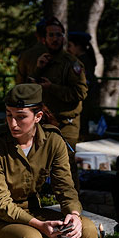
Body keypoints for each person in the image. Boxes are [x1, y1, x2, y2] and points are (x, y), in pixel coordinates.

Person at [0, 84, 99, 238]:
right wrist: (41, 225)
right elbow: (1, 203)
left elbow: (65, 187)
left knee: (88, 229)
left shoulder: (53, 140)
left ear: (38, 116)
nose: (12, 123)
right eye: (8, 115)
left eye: (21, 116)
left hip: (31, 212)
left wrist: (73, 215)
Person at [33, 17, 87, 189]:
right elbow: (29, 88)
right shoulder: (43, 60)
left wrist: (52, 88)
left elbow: (81, 92)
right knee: (39, 162)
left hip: (66, 123)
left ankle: (74, 205)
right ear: (44, 39)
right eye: (51, 35)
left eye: (58, 35)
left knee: (66, 164)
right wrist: (38, 69)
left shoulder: (71, 64)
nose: (55, 39)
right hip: (45, 121)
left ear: (63, 38)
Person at [67, 31, 100, 135]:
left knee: (81, 123)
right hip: (87, 95)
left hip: (82, 97)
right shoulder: (86, 60)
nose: (68, 49)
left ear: (77, 46)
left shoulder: (79, 62)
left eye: (70, 45)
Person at [16, 19, 47, 84]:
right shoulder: (56, 54)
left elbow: (20, 81)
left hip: (31, 91)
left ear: (36, 34)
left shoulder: (25, 55)